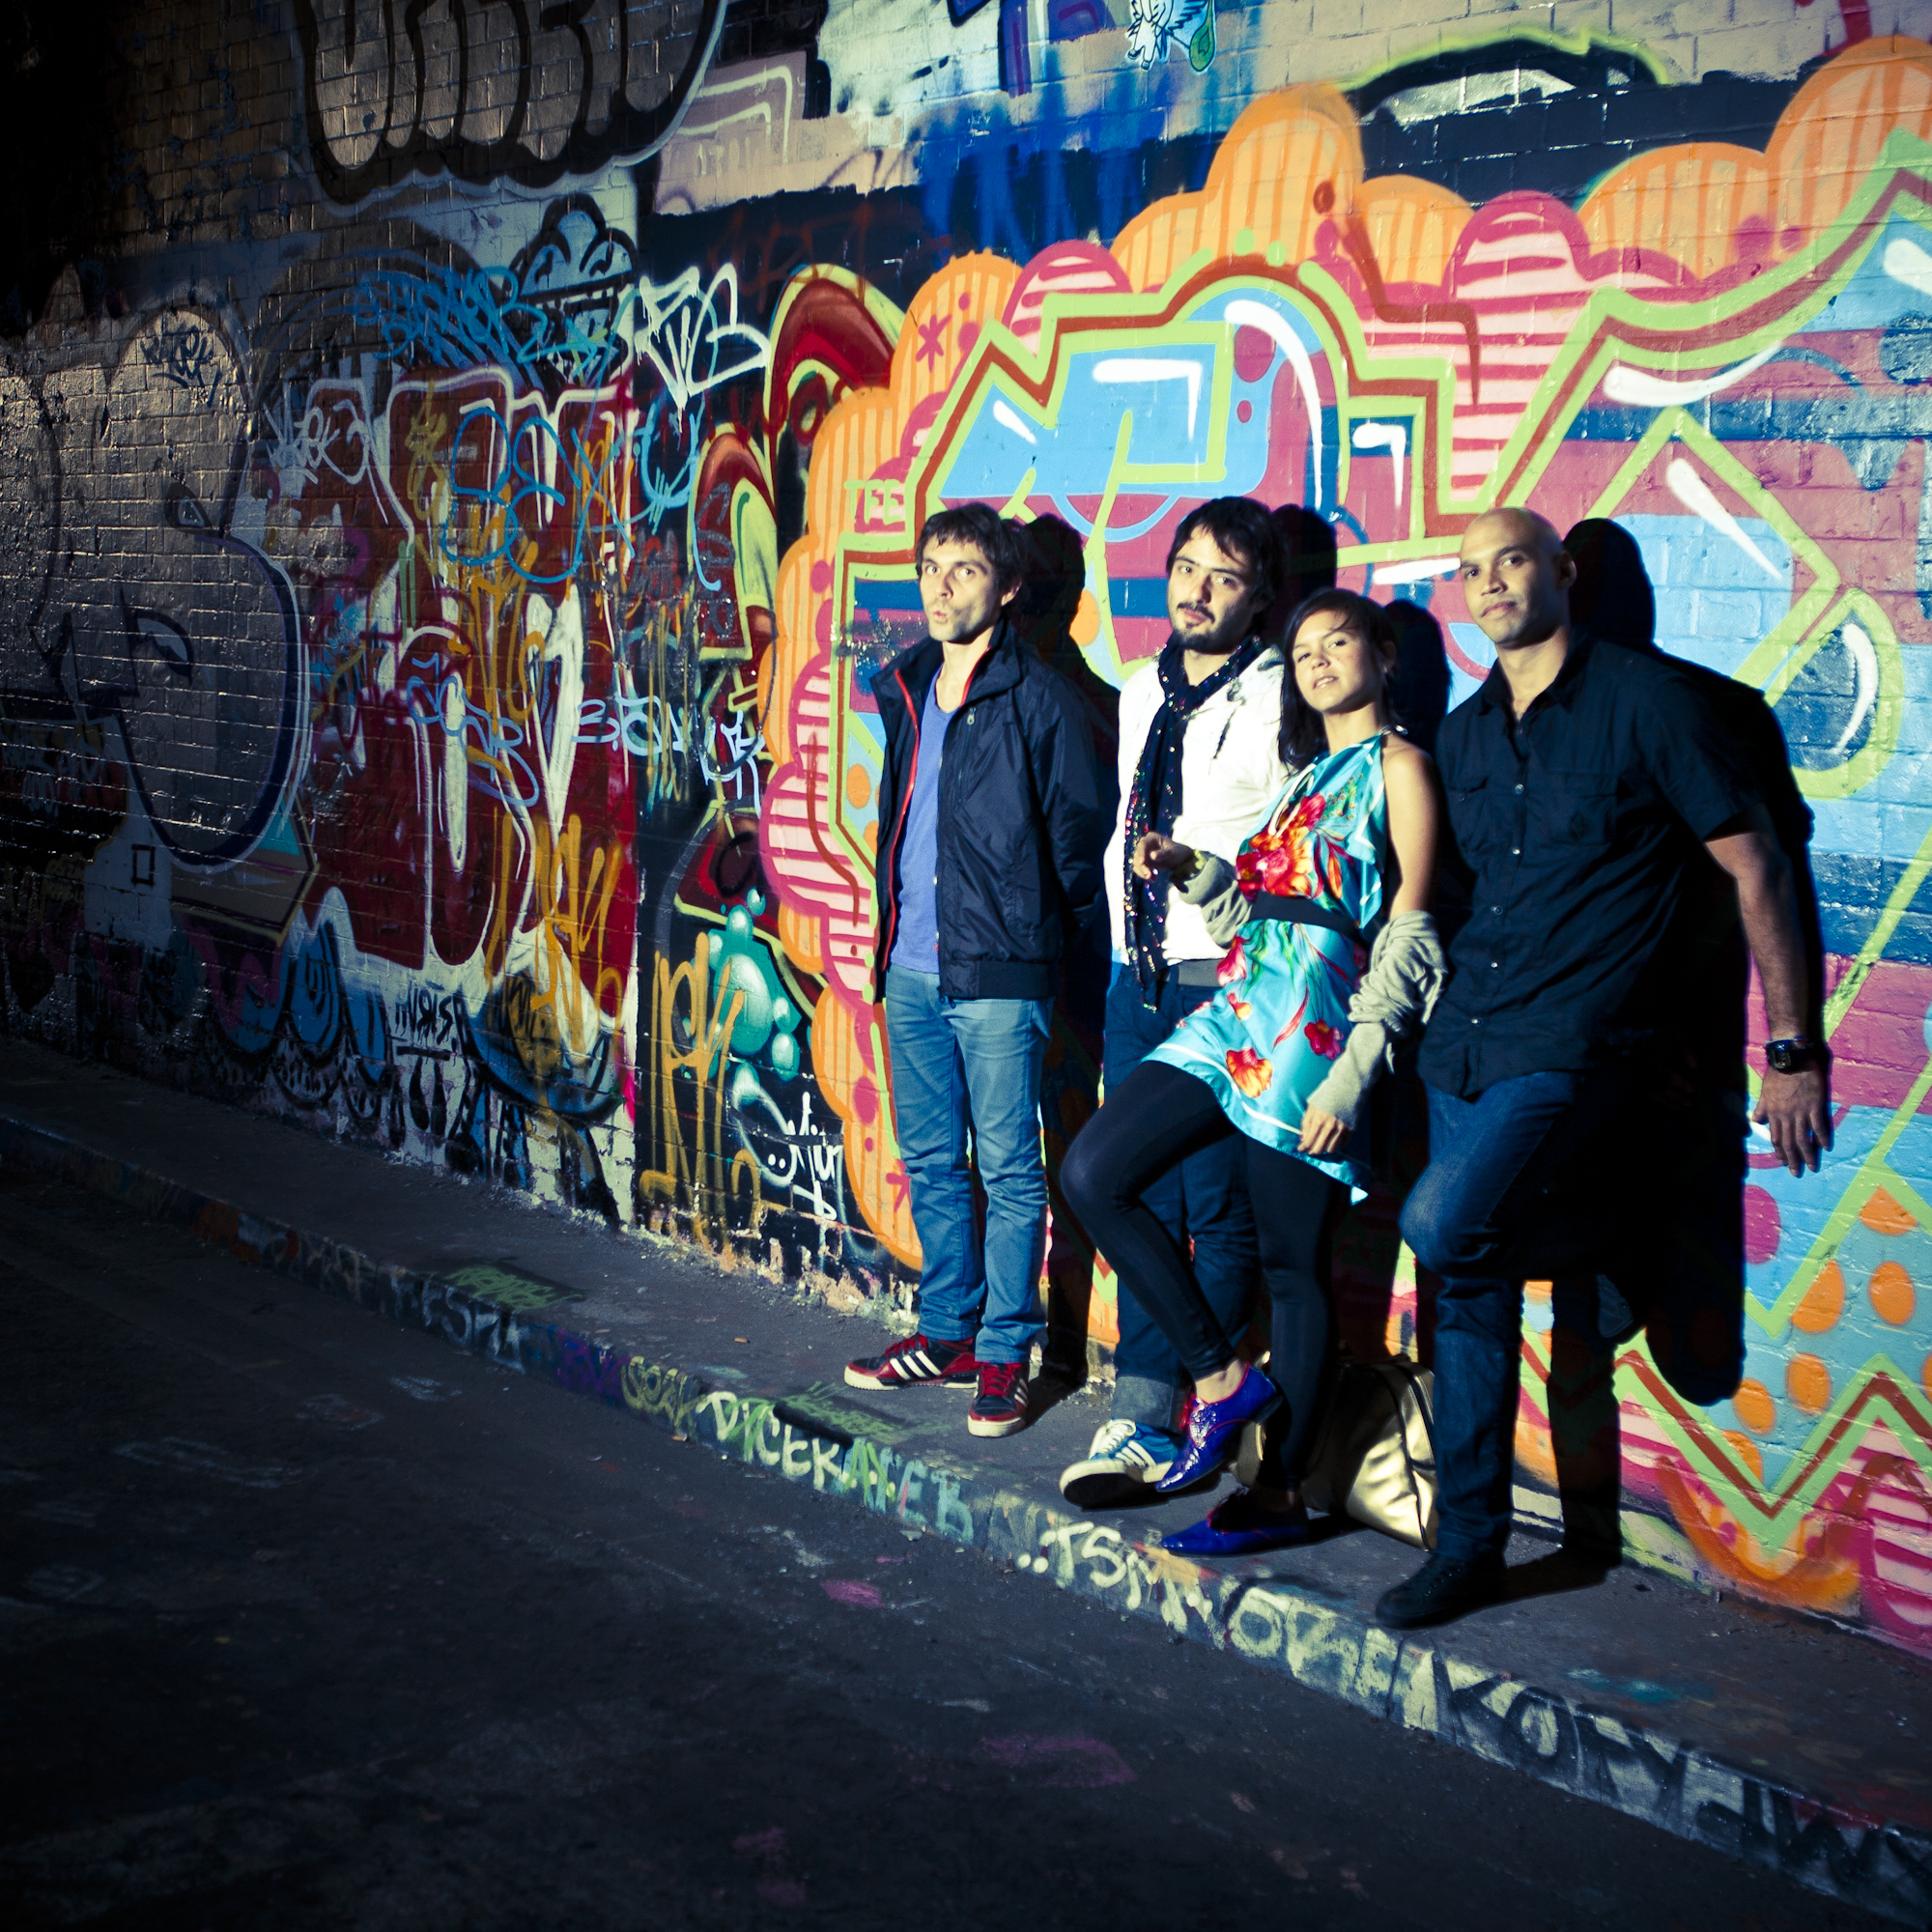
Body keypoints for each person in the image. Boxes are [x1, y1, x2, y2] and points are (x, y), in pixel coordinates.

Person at [1379, 508, 1833, 1630]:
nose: (1490, 583)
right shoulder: (1464, 733)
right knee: (1465, 1286)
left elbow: (1759, 866)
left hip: (1578, 1039)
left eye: (1511, 560)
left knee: (1441, 1226)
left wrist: (1790, 1049)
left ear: (1563, 572)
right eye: (1470, 570)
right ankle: (1468, 1544)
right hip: (1464, 1036)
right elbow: (1451, 893)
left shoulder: (1654, 702)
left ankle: (1616, 1226)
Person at [1061, 591, 1445, 1552]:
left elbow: (1407, 927)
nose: (1316, 660)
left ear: (1381, 656)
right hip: (1234, 1010)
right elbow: (1250, 914)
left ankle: (1277, 1495)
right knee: (1094, 1171)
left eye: (1337, 641)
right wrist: (1190, 868)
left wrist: (1353, 1075)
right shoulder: (1300, 778)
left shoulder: (1399, 767)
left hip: (1312, 1033)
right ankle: (1222, 1378)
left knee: (1290, 1265)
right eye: (1303, 649)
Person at [845, 503, 1108, 1439]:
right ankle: (947, 1331)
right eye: (929, 567)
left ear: (1007, 588)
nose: (940, 585)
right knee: (931, 1160)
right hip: (910, 965)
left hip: (999, 970)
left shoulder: (1042, 697)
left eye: (963, 569)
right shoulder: (909, 682)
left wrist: (1031, 934)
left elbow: (1077, 840)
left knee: (1008, 1168)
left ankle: (1004, 1352)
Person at [1058, 498, 1293, 1506]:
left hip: (1223, 980)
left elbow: (1296, 846)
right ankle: (1149, 1411)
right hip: (1138, 972)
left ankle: (1198, 1406)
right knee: (1139, 1192)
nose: (1197, 590)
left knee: (1217, 1207)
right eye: (1187, 567)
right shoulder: (1137, 688)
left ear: (1259, 595)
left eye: (1223, 577)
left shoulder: (1282, 696)